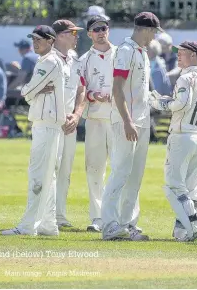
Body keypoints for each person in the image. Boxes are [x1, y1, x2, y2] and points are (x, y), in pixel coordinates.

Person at [149, 41, 197, 241]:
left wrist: (156, 101)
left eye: (182, 53)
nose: (178, 55)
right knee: (190, 187)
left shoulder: (186, 78)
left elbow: (180, 104)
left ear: (193, 55)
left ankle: (195, 225)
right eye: (178, 52)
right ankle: (181, 230)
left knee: (173, 185)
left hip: (183, 136)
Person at [101, 12, 162, 241]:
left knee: (135, 175)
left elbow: (140, 91)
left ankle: (127, 223)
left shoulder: (142, 52)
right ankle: (109, 224)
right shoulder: (125, 51)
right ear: (145, 29)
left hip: (142, 121)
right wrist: (127, 121)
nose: (154, 37)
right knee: (120, 171)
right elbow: (117, 89)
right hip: (126, 121)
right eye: (153, 32)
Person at [1, 25, 64, 236]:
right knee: (48, 176)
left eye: (39, 39)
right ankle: (48, 224)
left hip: (46, 122)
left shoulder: (50, 62)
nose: (35, 43)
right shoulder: (45, 61)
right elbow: (34, 89)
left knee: (38, 174)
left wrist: (31, 91)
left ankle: (28, 226)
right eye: (34, 39)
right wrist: (34, 90)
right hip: (46, 122)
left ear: (50, 41)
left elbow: (27, 92)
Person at [78, 15, 115, 232]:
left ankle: (120, 217)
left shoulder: (121, 54)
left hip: (119, 119)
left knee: (120, 169)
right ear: (89, 34)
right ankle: (98, 218)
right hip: (95, 119)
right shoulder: (84, 60)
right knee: (94, 169)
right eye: (96, 29)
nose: (101, 32)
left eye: (104, 28)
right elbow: (80, 91)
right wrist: (93, 95)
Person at [51, 19, 86, 228]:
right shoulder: (50, 58)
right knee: (50, 169)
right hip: (52, 122)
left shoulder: (75, 59)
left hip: (70, 122)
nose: (76, 36)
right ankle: (45, 215)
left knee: (65, 171)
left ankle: (60, 216)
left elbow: (81, 90)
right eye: (73, 33)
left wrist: (77, 114)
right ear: (61, 35)